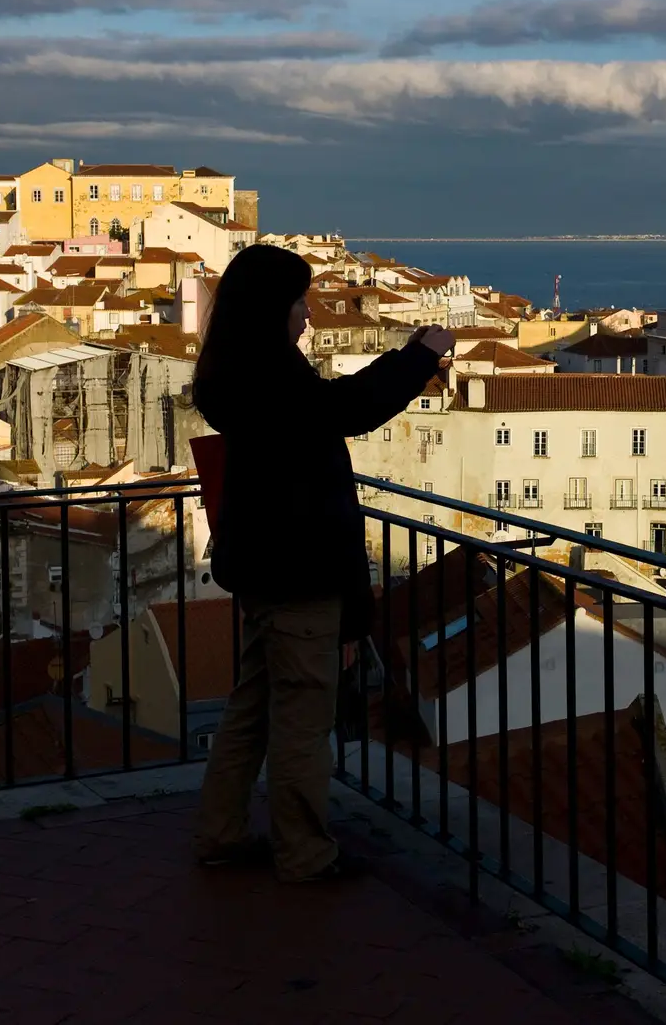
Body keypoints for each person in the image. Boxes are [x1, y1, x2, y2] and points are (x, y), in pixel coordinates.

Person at [191, 244, 453, 882]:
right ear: (272, 309)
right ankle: (305, 854)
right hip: (299, 569)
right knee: (303, 721)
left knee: (251, 710)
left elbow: (329, 408)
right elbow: (345, 411)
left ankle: (221, 833)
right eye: (299, 302)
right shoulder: (270, 376)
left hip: (261, 567)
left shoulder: (237, 372)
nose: (308, 315)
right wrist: (418, 357)